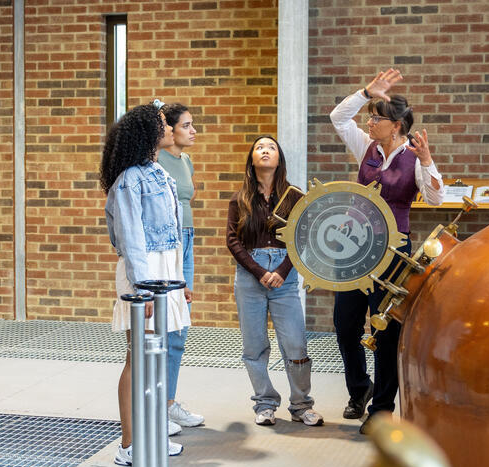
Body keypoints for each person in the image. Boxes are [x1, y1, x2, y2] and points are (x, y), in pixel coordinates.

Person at [329, 68, 444, 433]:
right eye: (370, 117)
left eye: (376, 118)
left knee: (385, 329)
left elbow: (436, 197)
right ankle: (359, 389)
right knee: (345, 325)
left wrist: (426, 160)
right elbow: (338, 117)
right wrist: (366, 92)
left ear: (395, 125)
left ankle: (381, 410)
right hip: (354, 245)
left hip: (394, 251)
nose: (369, 122)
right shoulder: (366, 146)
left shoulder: (413, 155)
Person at [101, 103, 190, 466]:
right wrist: (143, 286)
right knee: (137, 358)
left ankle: (152, 435)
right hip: (144, 272)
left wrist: (179, 280)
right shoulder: (129, 179)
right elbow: (130, 236)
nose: (167, 127)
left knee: (156, 360)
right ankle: (129, 444)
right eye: (161, 124)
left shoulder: (159, 173)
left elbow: (175, 233)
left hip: (165, 272)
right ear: (148, 133)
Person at [226, 135, 323, 427]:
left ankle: (301, 404)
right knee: (254, 346)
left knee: (295, 343)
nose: (265, 150)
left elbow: (303, 237)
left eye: (270, 147)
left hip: (285, 275)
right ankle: (265, 403)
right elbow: (232, 240)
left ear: (279, 158)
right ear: (252, 159)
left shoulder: (294, 196)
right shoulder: (240, 197)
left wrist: (281, 271)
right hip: (250, 275)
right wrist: (259, 271)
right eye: (259, 147)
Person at [156, 103, 205, 430]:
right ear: (169, 130)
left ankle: (169, 402)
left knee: (180, 325)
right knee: (164, 325)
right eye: (186, 125)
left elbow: (186, 195)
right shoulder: (153, 161)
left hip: (186, 241)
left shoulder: (185, 160)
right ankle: (156, 406)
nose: (193, 131)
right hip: (168, 246)